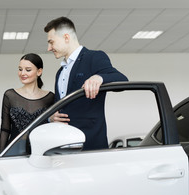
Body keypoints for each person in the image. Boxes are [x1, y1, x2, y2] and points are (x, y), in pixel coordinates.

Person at [44, 16, 128, 150]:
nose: (49, 48)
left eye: (51, 42)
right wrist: (52, 117)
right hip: (64, 147)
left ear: (66, 37)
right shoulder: (60, 72)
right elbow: (60, 106)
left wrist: (99, 78)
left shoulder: (94, 57)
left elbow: (122, 80)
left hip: (90, 146)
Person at [0, 53, 54, 154]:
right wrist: (0, 156)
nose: (22, 73)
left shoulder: (50, 97)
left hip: (42, 153)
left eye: (28, 70)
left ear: (39, 71)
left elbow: (53, 129)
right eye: (20, 69)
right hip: (14, 153)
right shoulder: (10, 95)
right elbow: (5, 129)